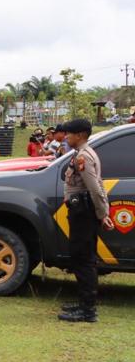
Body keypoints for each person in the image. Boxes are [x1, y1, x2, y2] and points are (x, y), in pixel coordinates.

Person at [58, 118, 114, 323]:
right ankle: (84, 303)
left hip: (84, 214)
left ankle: (87, 310)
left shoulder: (84, 157)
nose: (66, 137)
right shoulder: (81, 153)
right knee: (81, 257)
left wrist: (103, 214)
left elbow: (95, 188)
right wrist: (103, 213)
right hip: (82, 212)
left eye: (69, 134)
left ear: (80, 135)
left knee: (83, 259)